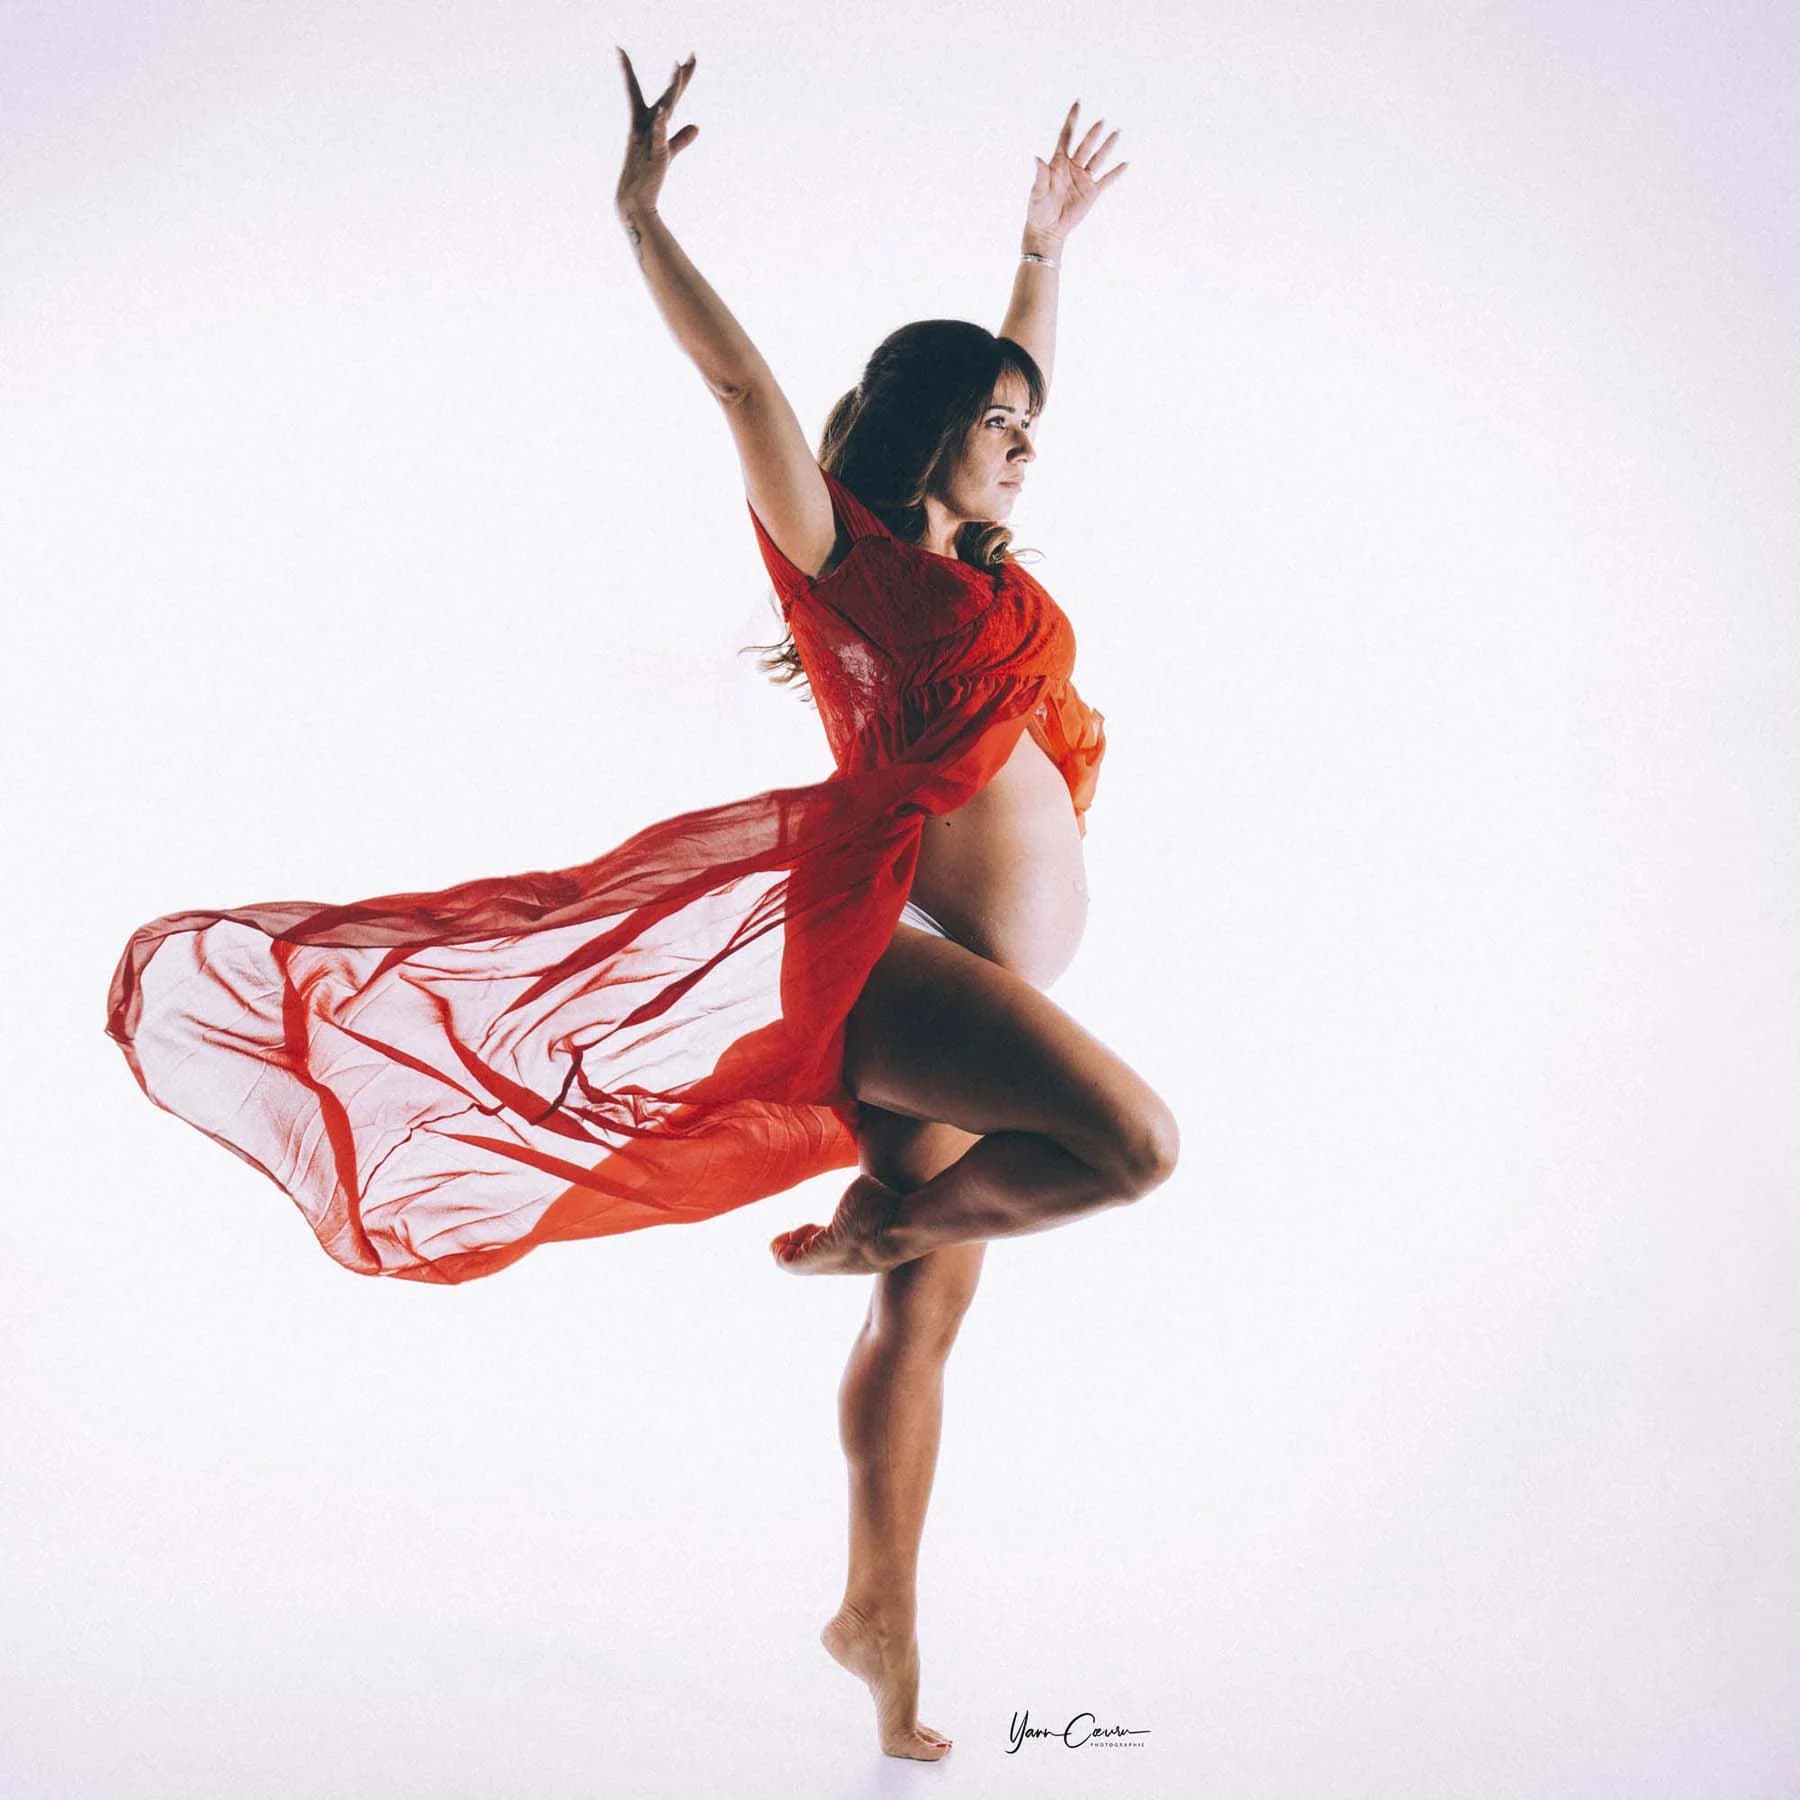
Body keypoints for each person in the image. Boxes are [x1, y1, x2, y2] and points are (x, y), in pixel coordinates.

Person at [101, 45, 1177, 1766]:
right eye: (999, 426)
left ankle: (878, 1621)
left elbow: (1013, 371)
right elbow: (744, 387)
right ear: (929, 434)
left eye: (1030, 427)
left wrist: (1041, 247)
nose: (1027, 444)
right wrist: (641, 219)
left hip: (969, 979)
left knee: (931, 1322)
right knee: (1126, 1147)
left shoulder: (983, 570)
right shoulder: (848, 562)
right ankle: (884, 1228)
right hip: (894, 959)